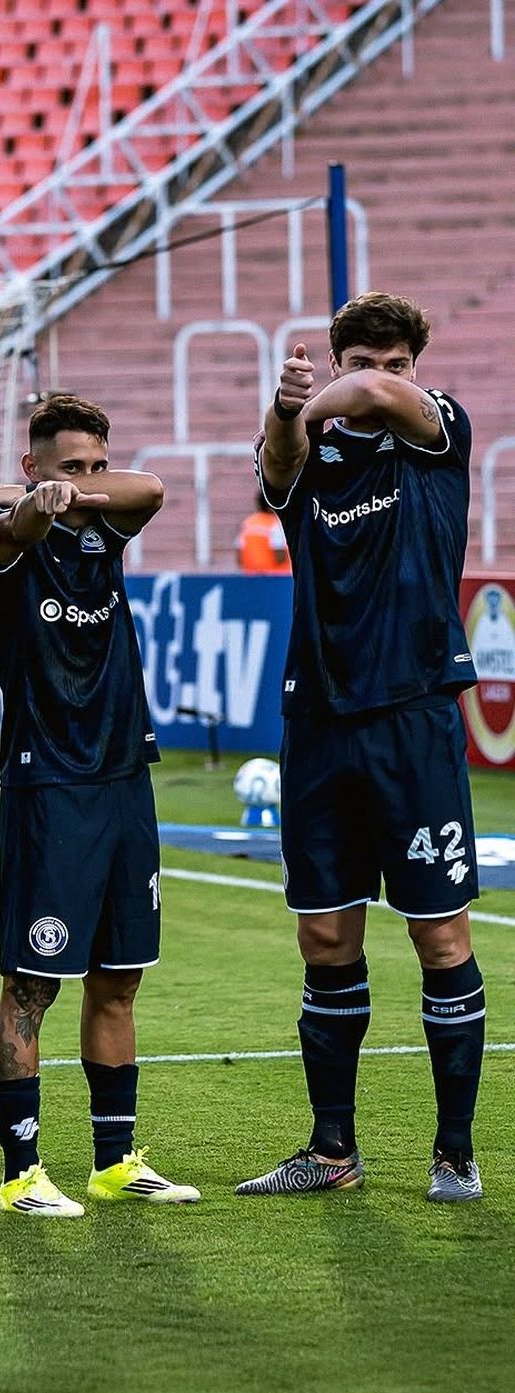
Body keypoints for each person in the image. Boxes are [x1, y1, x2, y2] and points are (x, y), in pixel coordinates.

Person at [237, 292, 486, 1203]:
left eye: (398, 360)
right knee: (325, 936)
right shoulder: (307, 448)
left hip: (414, 715)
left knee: (441, 935)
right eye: (363, 358)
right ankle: (332, 1151)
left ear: (416, 365)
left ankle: (454, 1153)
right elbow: (277, 461)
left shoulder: (439, 428)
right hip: (320, 722)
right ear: (335, 358)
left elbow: (388, 403)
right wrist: (286, 404)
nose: (384, 373)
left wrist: (336, 389)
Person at [0, 394, 199, 1216]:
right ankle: (21, 1174)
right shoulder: (1, 544)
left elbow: (153, 489)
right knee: (32, 985)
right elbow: (15, 529)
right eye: (71, 466)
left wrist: (78, 492)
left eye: (96, 464)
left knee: (120, 978)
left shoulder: (105, 525)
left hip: (124, 775)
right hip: (49, 783)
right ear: (33, 464)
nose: (88, 482)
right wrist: (25, 503)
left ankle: (113, 1160)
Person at [237, 491, 291, 574]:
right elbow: (279, 556)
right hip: (277, 579)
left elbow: (239, 558)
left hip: (251, 578)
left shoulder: (248, 523)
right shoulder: (276, 524)